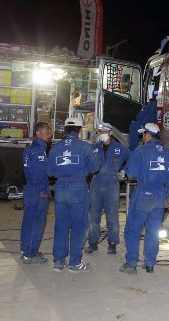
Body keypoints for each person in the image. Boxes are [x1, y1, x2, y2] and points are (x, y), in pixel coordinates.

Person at [47, 117, 103, 273]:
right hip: (78, 188)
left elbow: (49, 172)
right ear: (79, 130)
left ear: (64, 130)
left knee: (61, 226)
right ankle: (75, 263)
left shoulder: (55, 148)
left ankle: (59, 262)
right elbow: (95, 168)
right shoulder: (85, 146)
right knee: (79, 226)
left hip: (60, 188)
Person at [120, 122, 169, 274]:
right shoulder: (166, 153)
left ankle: (131, 264)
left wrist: (126, 172)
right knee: (153, 230)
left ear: (148, 135)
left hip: (144, 193)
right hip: (160, 195)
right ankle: (149, 264)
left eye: (143, 135)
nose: (142, 138)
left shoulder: (141, 150)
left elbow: (132, 173)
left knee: (133, 229)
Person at [85, 122, 130, 255]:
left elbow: (132, 159)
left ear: (110, 133)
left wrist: (124, 171)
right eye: (100, 132)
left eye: (104, 132)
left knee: (112, 216)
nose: (102, 134)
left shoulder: (119, 148)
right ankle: (93, 242)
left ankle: (112, 243)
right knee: (94, 216)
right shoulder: (93, 148)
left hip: (112, 183)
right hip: (96, 183)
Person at [20, 121, 52, 264]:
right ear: (38, 133)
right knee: (37, 223)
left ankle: (25, 250)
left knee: (28, 221)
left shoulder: (29, 148)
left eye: (49, 132)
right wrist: (44, 191)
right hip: (38, 191)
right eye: (47, 132)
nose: (49, 135)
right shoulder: (39, 151)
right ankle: (30, 254)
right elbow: (40, 174)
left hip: (30, 189)